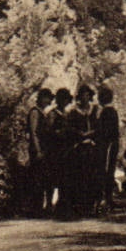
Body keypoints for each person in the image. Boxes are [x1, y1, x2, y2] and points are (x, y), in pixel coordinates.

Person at [72, 85, 103, 215]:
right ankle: (82, 205)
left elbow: (100, 127)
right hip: (80, 147)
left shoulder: (95, 110)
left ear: (90, 96)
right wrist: (80, 134)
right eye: (82, 95)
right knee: (81, 176)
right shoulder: (74, 112)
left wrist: (91, 133)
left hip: (93, 145)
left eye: (87, 95)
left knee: (94, 175)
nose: (85, 97)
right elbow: (71, 129)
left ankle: (94, 204)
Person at [26, 87, 55, 215]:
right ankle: (36, 208)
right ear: (41, 99)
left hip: (46, 149)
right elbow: (33, 132)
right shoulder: (35, 112)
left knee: (46, 178)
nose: (47, 101)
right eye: (45, 98)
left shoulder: (44, 113)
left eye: (48, 99)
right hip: (37, 149)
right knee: (37, 178)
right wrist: (37, 150)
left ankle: (45, 206)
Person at [50, 87, 77, 216]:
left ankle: (65, 204)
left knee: (67, 177)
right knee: (59, 177)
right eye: (62, 99)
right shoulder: (53, 114)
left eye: (66, 99)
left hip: (67, 149)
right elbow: (48, 132)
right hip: (56, 149)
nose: (65, 102)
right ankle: (58, 205)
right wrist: (60, 133)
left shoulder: (67, 114)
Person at [97, 85, 121, 212]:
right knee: (109, 170)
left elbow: (105, 131)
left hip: (107, 145)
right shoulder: (112, 111)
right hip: (113, 143)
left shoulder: (106, 112)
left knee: (105, 170)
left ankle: (105, 199)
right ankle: (108, 198)